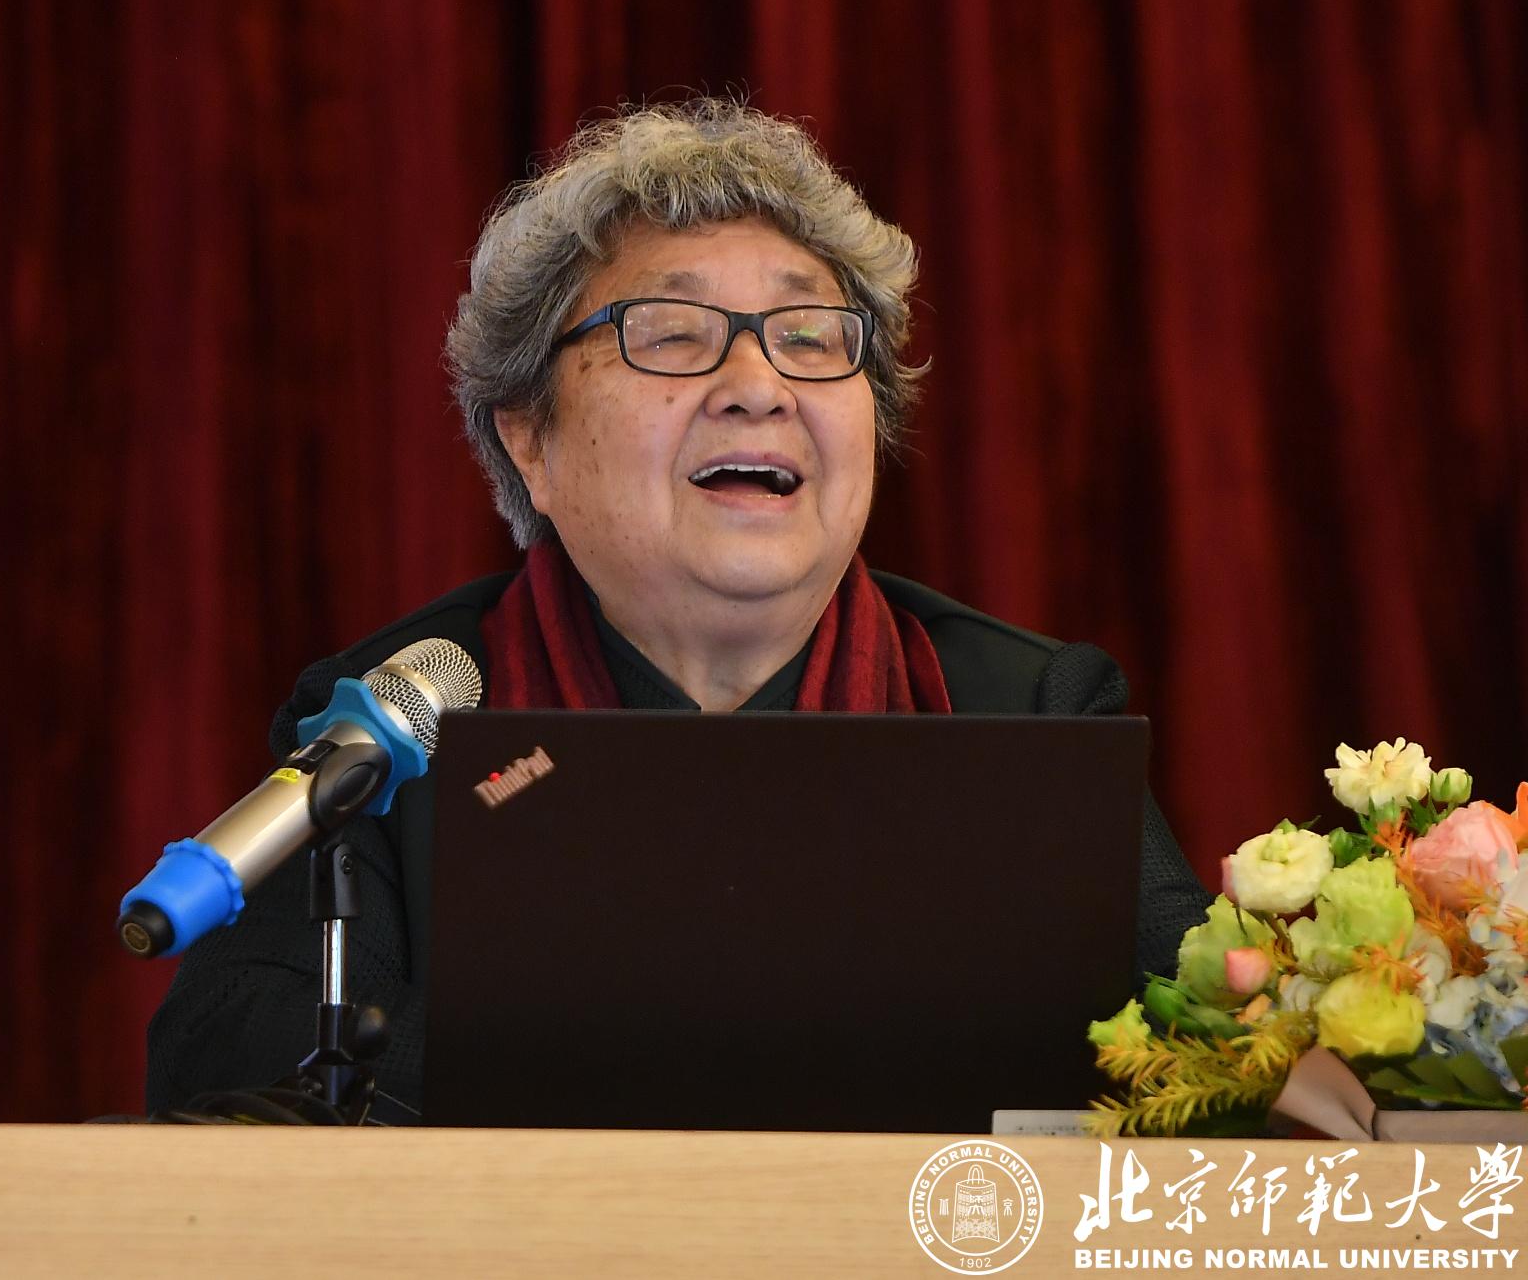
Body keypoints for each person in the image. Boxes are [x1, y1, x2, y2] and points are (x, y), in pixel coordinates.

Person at [144, 99, 1209, 1121]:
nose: (758, 384)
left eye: (808, 336)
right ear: (529, 436)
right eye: (670, 332)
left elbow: (1211, 1042)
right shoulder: (403, 718)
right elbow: (229, 1043)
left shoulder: (1025, 707)